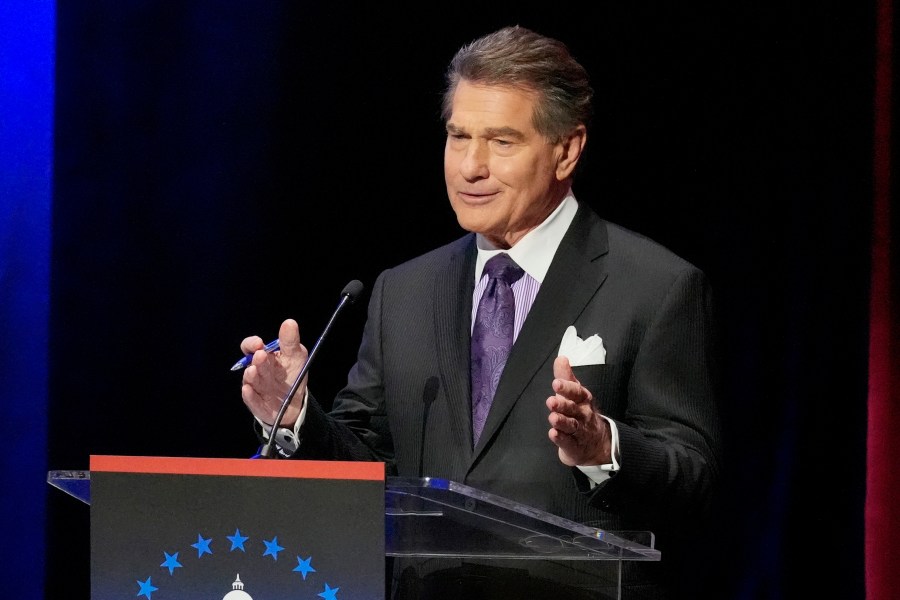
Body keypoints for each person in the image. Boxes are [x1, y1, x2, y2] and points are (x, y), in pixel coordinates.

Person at [239, 25, 722, 600]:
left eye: (502, 142)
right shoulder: (405, 292)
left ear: (566, 150)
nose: (470, 166)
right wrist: (295, 420)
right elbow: (371, 467)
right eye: (458, 136)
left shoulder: (655, 285)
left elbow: (692, 477)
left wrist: (604, 448)